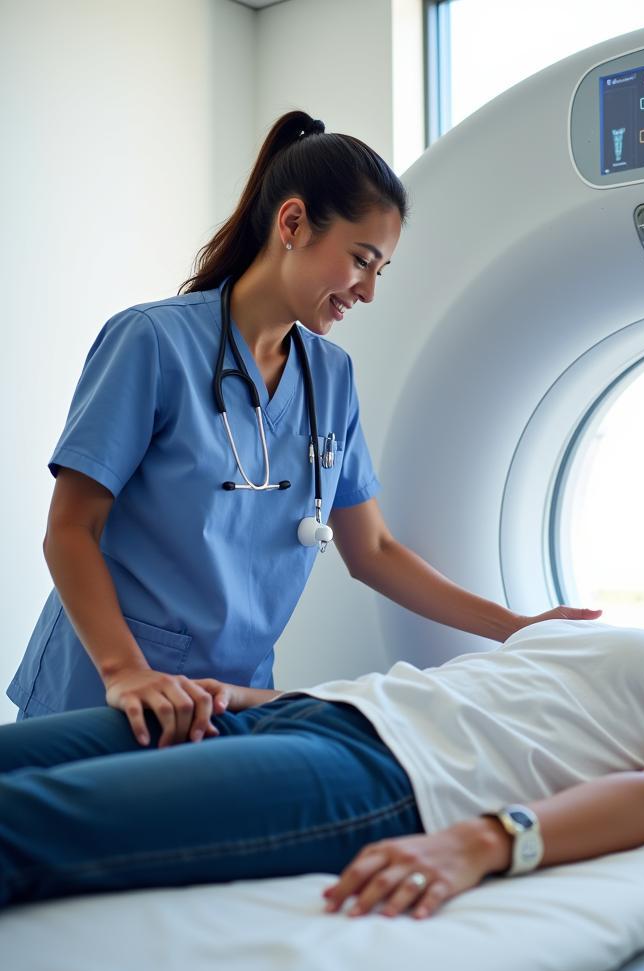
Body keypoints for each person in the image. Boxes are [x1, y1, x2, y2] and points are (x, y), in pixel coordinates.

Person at [6, 109, 597, 741]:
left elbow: (372, 551)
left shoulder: (331, 376)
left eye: (380, 270)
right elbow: (70, 529)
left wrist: (518, 627)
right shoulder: (152, 343)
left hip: (231, 697)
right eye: (362, 260)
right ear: (292, 223)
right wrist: (124, 670)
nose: (368, 291)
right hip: (106, 687)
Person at [0, 503, 644, 915]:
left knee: (24, 823)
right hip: (303, 714)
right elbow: (448, 692)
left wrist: (481, 841)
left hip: (379, 777)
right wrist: (245, 697)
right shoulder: (595, 636)